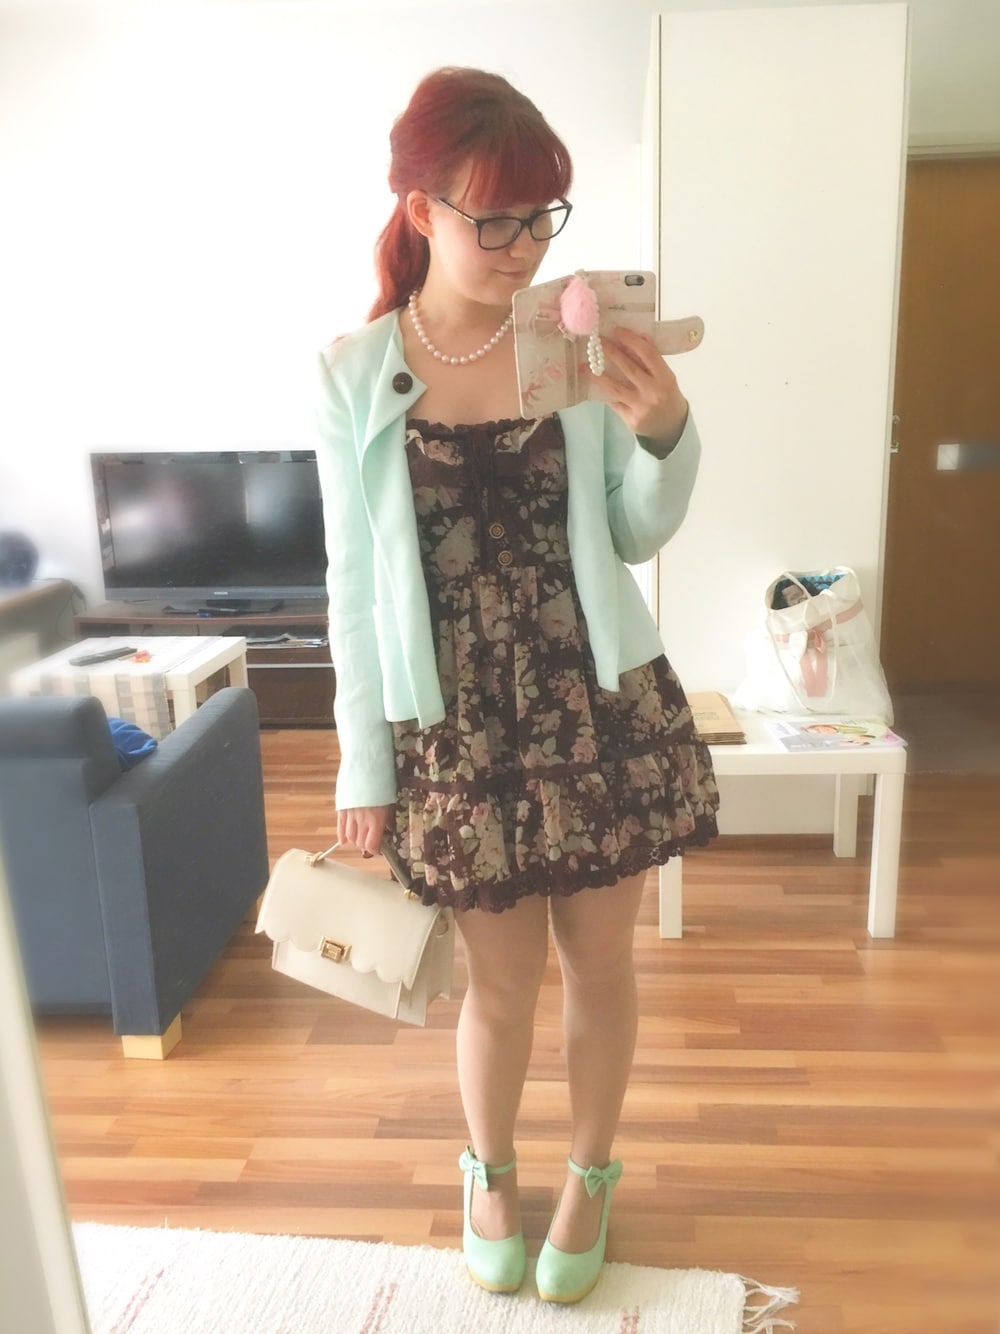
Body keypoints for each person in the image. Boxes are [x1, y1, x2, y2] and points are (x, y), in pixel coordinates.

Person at [313, 66, 719, 1304]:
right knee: (499, 980)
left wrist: (663, 430)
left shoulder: (567, 342)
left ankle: (589, 1172)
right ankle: (487, 1173)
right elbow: (352, 588)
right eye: (496, 219)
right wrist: (364, 766)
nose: (525, 246)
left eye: (543, 216)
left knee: (601, 964)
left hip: (594, 700)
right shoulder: (353, 372)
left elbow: (631, 529)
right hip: (455, 727)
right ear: (420, 208)